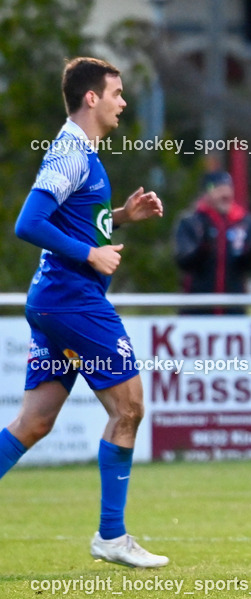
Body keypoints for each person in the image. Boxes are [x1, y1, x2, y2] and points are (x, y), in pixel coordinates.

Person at [1, 57, 168, 568]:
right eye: (116, 93)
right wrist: (90, 255)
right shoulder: (71, 151)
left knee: (34, 423)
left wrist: (118, 219)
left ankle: (112, 537)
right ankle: (111, 537)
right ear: (91, 98)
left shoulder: (82, 152)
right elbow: (28, 224)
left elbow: (72, 221)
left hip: (56, 300)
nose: (122, 102)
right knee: (130, 408)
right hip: (73, 299)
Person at [174, 170, 251, 315]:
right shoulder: (191, 222)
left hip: (234, 308)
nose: (225, 195)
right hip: (197, 309)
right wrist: (204, 247)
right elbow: (184, 261)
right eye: (219, 189)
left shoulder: (244, 222)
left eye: (228, 189)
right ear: (206, 193)